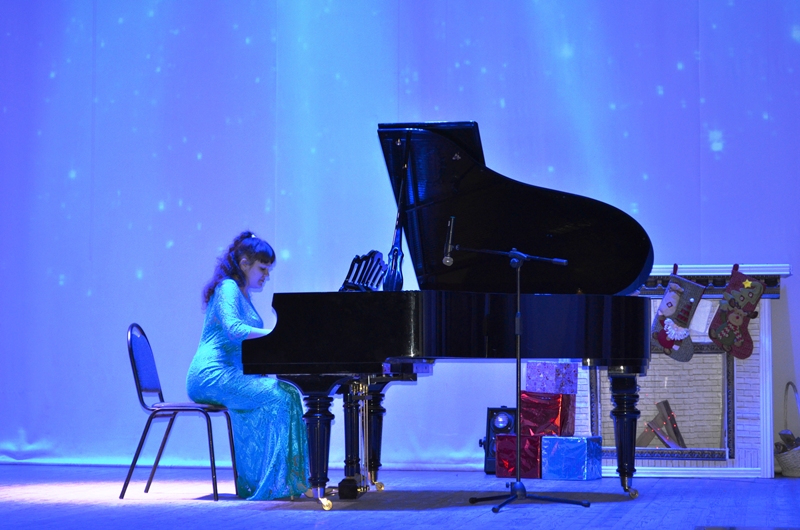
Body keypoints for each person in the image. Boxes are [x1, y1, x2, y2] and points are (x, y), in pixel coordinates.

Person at [186, 231, 309, 500]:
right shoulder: (228, 287)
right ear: (244, 264)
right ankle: (277, 483)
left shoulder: (243, 294)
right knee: (279, 396)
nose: (266, 275)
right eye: (262, 268)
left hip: (227, 374)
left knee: (288, 393)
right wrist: (277, 334)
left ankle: (292, 482)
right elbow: (234, 329)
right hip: (210, 375)